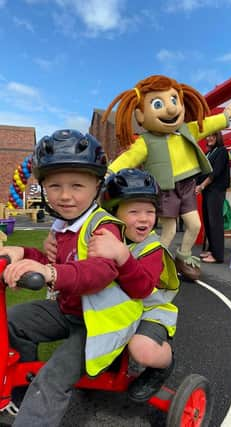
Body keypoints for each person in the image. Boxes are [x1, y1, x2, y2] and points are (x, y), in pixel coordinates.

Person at [0, 130, 160, 427]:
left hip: (100, 321)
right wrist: (22, 251)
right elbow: (56, 261)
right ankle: (19, 395)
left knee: (53, 378)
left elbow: (98, 272)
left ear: (97, 186)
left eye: (76, 185)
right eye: (55, 185)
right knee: (12, 321)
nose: (64, 195)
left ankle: (34, 414)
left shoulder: (104, 228)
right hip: (71, 310)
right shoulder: (64, 225)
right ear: (44, 186)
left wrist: (51, 273)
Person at [43, 168, 179, 403]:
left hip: (149, 311)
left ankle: (163, 365)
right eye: (134, 211)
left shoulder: (152, 249)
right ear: (114, 214)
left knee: (142, 349)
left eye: (150, 211)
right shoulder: (106, 235)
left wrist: (123, 256)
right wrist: (52, 243)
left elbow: (142, 290)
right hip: (122, 309)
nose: (145, 218)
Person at [101, 74, 231, 280]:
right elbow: (129, 157)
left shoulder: (186, 130)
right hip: (164, 188)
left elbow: (206, 124)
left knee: (195, 225)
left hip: (187, 185)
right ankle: (153, 262)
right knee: (169, 229)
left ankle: (182, 257)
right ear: (140, 115)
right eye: (158, 103)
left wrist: (225, 117)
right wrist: (109, 171)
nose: (171, 108)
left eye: (174, 100)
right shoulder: (145, 141)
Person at [195, 131, 230, 263]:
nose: (209, 138)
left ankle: (218, 255)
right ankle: (211, 249)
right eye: (208, 136)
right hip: (207, 191)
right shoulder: (209, 152)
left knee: (215, 222)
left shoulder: (221, 151)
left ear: (218, 137)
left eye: (213, 136)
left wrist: (202, 186)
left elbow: (215, 173)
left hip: (216, 190)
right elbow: (201, 172)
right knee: (208, 221)